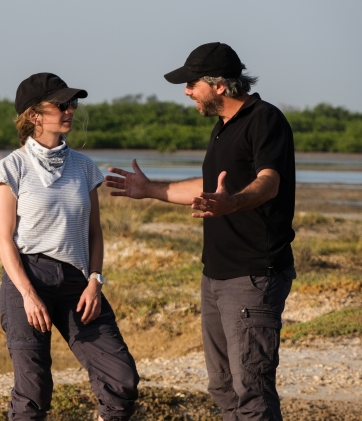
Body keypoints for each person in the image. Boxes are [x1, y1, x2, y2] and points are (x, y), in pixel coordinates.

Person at [106, 42, 296, 420]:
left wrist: (233, 203)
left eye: (192, 83)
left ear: (220, 86)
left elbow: (269, 182)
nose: (186, 91)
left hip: (254, 274)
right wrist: (149, 191)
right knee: (223, 387)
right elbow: (207, 187)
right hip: (215, 276)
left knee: (252, 390)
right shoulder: (223, 127)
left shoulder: (264, 119)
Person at [0, 73, 139, 421]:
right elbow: (3, 239)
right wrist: (28, 294)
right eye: (61, 104)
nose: (70, 109)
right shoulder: (12, 167)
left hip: (77, 282)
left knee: (122, 379)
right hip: (28, 278)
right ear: (34, 115)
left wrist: (95, 280)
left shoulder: (84, 167)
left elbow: (94, 233)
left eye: (73, 103)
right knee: (33, 393)